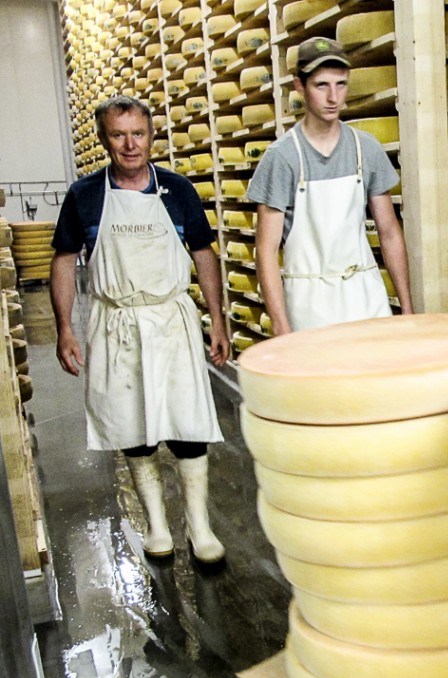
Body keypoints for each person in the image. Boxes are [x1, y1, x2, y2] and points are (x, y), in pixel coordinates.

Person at [50, 95, 229, 563]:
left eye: (138, 133)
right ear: (104, 138)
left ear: (152, 136)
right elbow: (65, 261)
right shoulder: (84, 195)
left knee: (188, 423)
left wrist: (217, 317)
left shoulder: (177, 190)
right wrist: (65, 327)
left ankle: (201, 527)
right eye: (118, 134)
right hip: (116, 321)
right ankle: (156, 527)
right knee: (132, 426)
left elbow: (203, 253)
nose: (130, 145)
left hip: (170, 317)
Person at [248, 36, 413, 334]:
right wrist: (280, 325)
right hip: (310, 302)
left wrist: (408, 309)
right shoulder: (283, 157)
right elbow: (266, 249)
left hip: (365, 295)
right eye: (321, 85)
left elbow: (389, 233)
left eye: (341, 84)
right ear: (300, 85)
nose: (333, 97)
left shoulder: (366, 149)